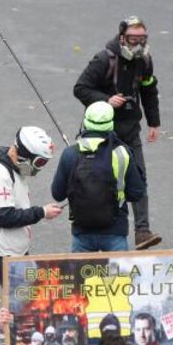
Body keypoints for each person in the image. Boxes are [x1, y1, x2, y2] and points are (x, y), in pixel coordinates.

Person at [73, 17, 162, 250]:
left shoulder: (145, 60)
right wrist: (106, 100)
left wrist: (154, 122)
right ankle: (93, 230)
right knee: (99, 179)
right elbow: (80, 88)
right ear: (122, 37)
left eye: (142, 39)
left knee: (139, 178)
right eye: (133, 39)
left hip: (130, 130)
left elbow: (149, 90)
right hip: (102, 131)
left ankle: (143, 231)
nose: (138, 44)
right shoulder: (104, 59)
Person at [50, 102, 146, 253]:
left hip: (82, 232)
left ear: (85, 122)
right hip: (115, 231)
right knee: (118, 270)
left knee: (82, 269)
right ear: (111, 124)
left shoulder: (70, 154)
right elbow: (137, 193)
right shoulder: (122, 153)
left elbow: (58, 194)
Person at [0, 127, 62, 285]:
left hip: (14, 247)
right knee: (20, 297)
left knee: (25, 294)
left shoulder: (13, 166)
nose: (40, 167)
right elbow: (5, 217)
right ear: (24, 155)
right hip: (4, 252)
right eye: (40, 162)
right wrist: (42, 212)